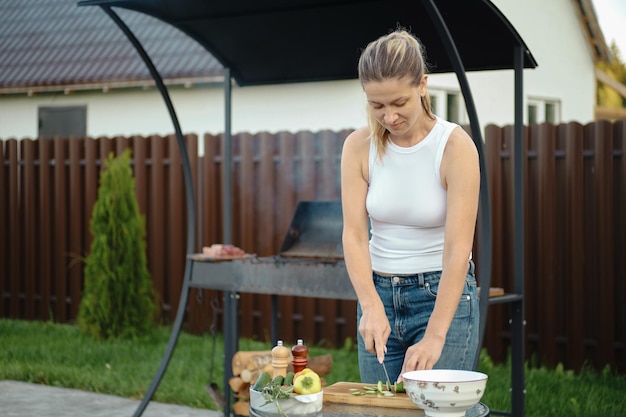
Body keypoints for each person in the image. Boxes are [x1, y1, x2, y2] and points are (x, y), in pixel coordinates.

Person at [340, 28, 480, 384]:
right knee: (380, 408)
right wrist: (370, 304)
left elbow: (458, 249)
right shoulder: (358, 148)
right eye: (377, 106)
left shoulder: (454, 147)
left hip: (441, 296)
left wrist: (435, 335)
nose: (389, 117)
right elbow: (355, 236)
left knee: (437, 409)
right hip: (378, 294)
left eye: (399, 103)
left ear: (422, 85)